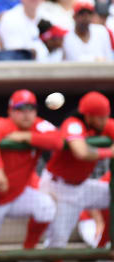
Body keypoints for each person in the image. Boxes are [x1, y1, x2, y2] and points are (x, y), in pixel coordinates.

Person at [0, 90, 63, 259]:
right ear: (10, 111)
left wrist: (26, 136)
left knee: (46, 208)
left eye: (30, 108)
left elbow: (58, 141)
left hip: (16, 196)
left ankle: (28, 250)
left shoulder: (38, 126)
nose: (26, 114)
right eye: (20, 109)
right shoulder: (4, 124)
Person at [40, 91, 114, 249]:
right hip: (59, 188)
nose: (105, 120)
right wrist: (109, 152)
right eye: (101, 117)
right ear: (89, 116)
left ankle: (105, 245)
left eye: (106, 116)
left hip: (82, 186)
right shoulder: (73, 124)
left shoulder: (102, 124)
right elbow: (81, 152)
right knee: (57, 247)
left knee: (111, 194)